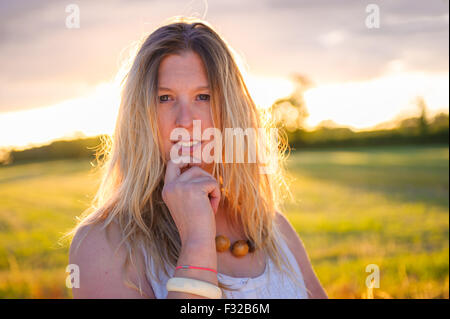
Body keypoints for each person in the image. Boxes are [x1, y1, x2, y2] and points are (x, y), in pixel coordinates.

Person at [68, 17, 328, 299]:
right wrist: (196, 240)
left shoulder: (271, 226)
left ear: (230, 109)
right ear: (139, 116)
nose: (186, 121)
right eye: (164, 98)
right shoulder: (103, 243)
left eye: (203, 97)